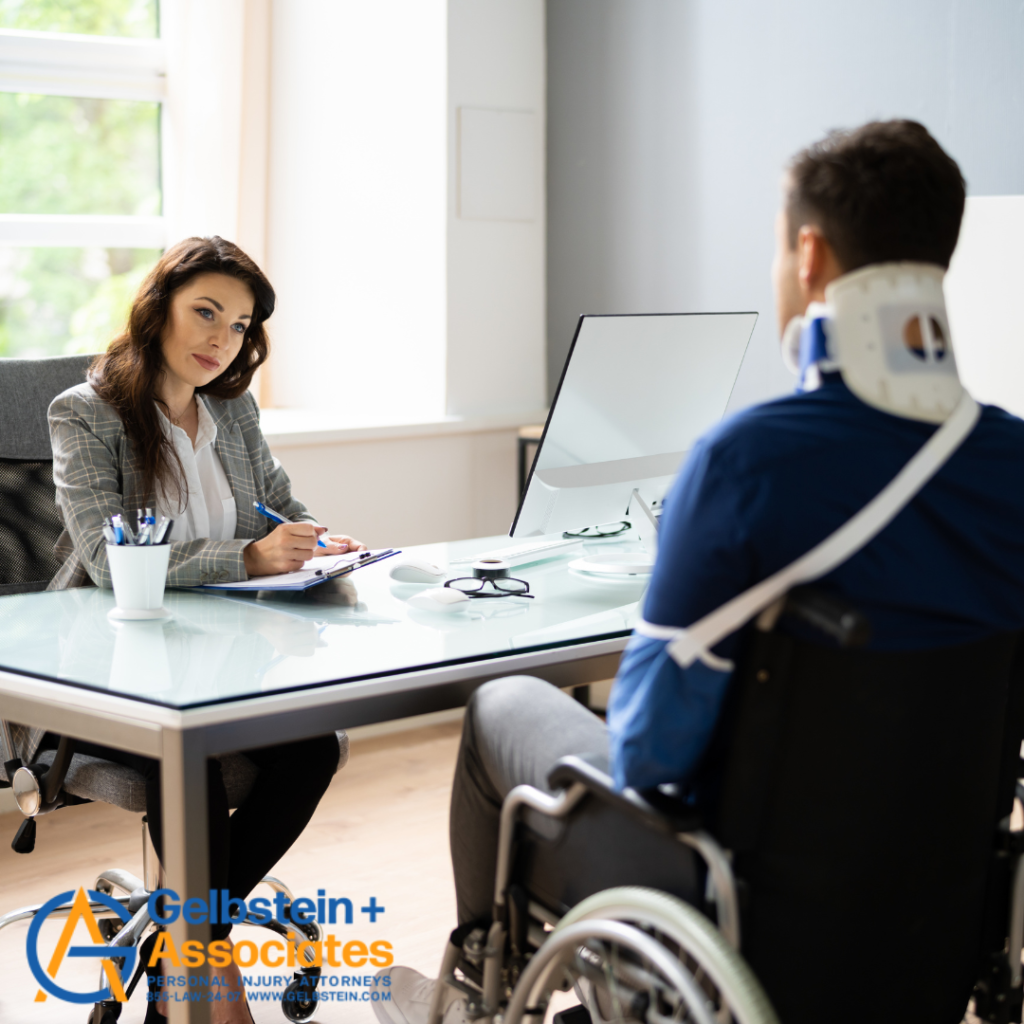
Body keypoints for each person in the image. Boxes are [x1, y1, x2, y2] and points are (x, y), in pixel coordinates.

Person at [374, 120, 1024, 1024]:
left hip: (742, 899)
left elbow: (649, 754)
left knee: (502, 704)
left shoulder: (750, 462)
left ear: (809, 253)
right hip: (939, 901)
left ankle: (472, 997)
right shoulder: (1011, 463)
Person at [45, 236, 363, 1023]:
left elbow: (281, 502)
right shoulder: (86, 414)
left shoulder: (233, 406)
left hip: (227, 657)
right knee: (183, 763)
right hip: (111, 667)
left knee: (311, 747)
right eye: (206, 313)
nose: (221, 340)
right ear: (159, 309)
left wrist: (312, 538)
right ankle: (208, 986)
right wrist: (247, 557)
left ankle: (179, 953)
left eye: (240, 325)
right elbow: (103, 553)